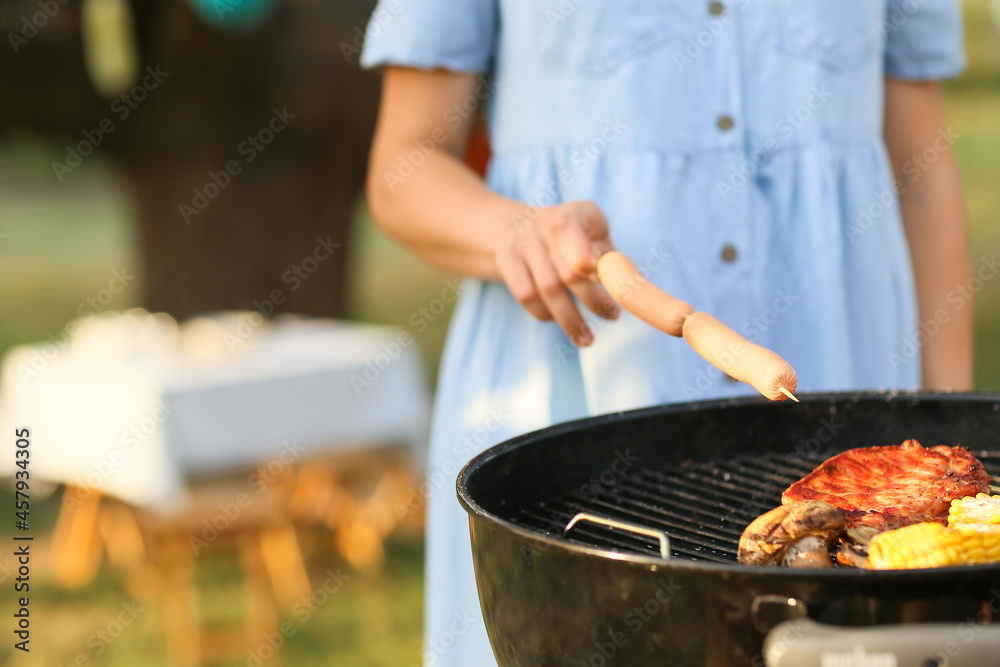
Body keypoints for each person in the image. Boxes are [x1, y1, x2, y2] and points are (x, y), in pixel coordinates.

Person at [360, 2, 972, 664]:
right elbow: (403, 166)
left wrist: (945, 429)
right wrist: (516, 232)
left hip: (847, 381)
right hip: (573, 396)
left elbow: (922, 172)